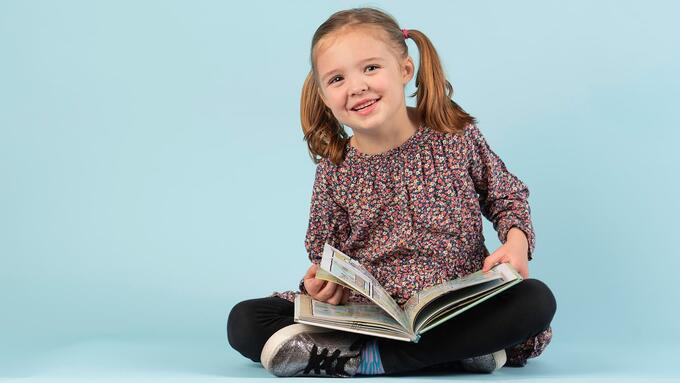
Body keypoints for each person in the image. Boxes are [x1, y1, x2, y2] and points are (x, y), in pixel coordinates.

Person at [227, 6, 556, 378]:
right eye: (337, 79)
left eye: (370, 68)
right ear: (323, 95)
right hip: (372, 313)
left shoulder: (453, 136)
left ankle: (375, 360)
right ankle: (448, 354)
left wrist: (516, 242)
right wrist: (319, 285)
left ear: (404, 70)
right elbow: (325, 252)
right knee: (245, 321)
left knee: (536, 302)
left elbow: (506, 195)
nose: (357, 87)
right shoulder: (336, 168)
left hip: (454, 308)